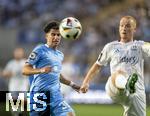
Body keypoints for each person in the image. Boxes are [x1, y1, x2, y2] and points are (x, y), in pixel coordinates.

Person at [80, 16, 150, 116]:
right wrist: (86, 82)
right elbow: (97, 65)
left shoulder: (139, 46)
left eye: (128, 26)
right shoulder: (110, 47)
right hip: (115, 88)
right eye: (121, 25)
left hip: (137, 92)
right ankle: (127, 84)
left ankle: (130, 86)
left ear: (135, 29)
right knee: (118, 73)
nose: (123, 28)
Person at [22, 21, 80, 116]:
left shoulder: (60, 55)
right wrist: (41, 70)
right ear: (46, 36)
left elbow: (57, 75)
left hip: (56, 96)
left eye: (58, 35)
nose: (56, 37)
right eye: (53, 34)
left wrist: (72, 85)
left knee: (70, 114)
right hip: (40, 95)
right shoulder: (40, 50)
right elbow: (25, 70)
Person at [3, 47, 29, 116]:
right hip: (13, 86)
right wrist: (11, 73)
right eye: (17, 53)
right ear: (14, 54)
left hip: (23, 86)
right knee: (14, 103)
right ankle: (16, 113)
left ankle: (23, 113)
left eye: (19, 53)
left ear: (22, 54)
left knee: (24, 102)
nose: (18, 54)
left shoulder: (26, 62)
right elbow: (4, 74)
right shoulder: (11, 63)